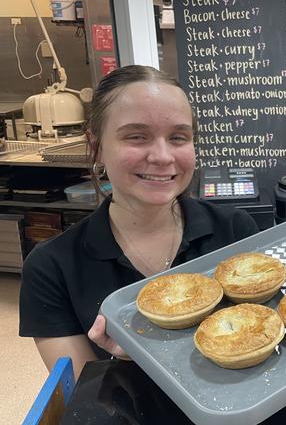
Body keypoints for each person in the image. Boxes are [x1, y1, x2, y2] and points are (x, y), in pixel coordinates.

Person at [19, 65, 259, 378]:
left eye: (178, 137)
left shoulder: (236, 230)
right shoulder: (52, 267)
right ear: (97, 147)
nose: (162, 156)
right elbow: (83, 396)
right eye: (136, 136)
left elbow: (263, 345)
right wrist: (136, 361)